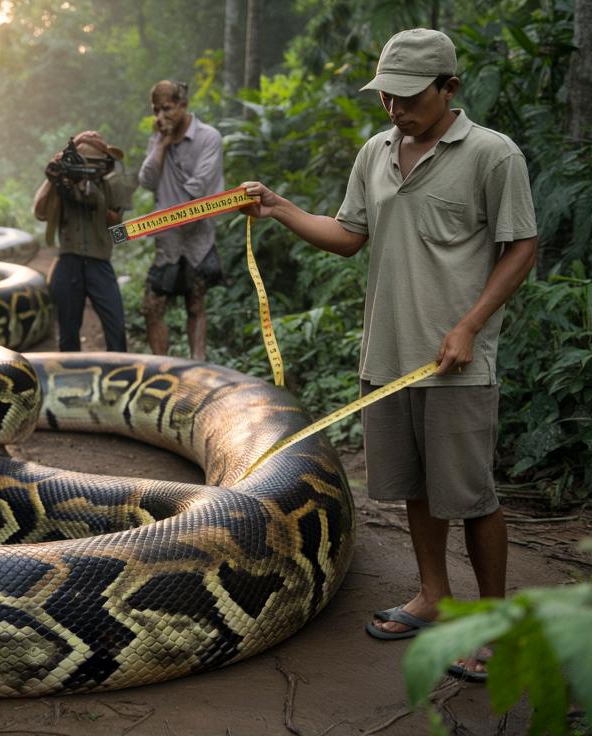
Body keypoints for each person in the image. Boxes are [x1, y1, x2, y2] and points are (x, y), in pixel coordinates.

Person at [241, 28, 538, 682]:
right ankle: (433, 594)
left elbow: (522, 247)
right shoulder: (375, 152)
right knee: (413, 487)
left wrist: (469, 326)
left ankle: (497, 624)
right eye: (386, 98)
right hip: (389, 356)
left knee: (472, 494)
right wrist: (284, 209)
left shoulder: (493, 155)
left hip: (456, 359)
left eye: (409, 98)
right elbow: (349, 236)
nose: (396, 110)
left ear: (449, 88)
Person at [137, 79, 224, 362]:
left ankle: (197, 365)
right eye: (156, 111)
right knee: (152, 305)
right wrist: (161, 145)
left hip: (197, 237)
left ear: (183, 106)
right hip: (168, 242)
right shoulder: (158, 137)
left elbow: (199, 187)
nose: (161, 117)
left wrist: (170, 213)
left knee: (196, 303)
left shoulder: (209, 138)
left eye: (167, 109)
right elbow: (147, 180)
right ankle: (162, 369)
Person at [32, 131, 132, 352]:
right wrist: (54, 177)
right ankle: (72, 380)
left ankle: (117, 379)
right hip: (68, 263)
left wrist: (96, 195)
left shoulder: (111, 186)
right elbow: (40, 212)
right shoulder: (62, 184)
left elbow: (120, 231)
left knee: (116, 329)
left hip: (99, 264)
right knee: (68, 334)